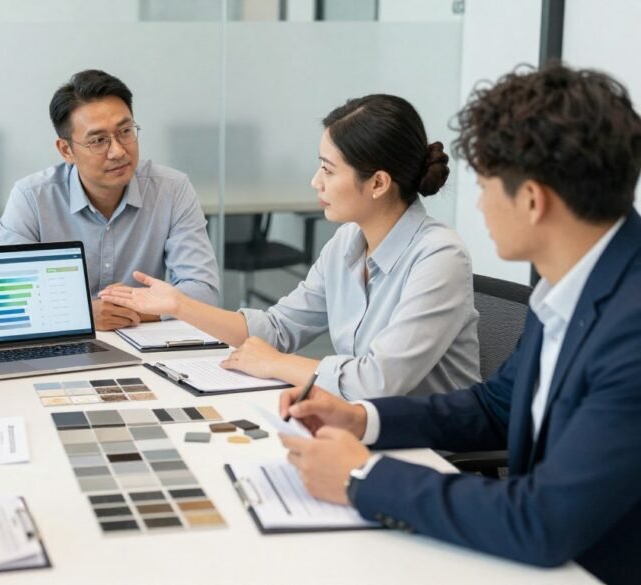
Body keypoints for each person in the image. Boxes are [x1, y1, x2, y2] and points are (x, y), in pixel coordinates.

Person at [278, 64, 641, 584]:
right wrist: (362, 420)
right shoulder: (567, 281)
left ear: (533, 200)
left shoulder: (631, 328)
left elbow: (542, 520)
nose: (478, 203)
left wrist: (363, 476)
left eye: (487, 184)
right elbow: (496, 405)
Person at [102, 94, 480, 399]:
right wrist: (179, 305)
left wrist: (276, 364)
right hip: (358, 425)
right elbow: (280, 328)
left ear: (378, 183)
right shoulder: (348, 242)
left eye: (328, 170)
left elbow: (380, 380)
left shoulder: (438, 257)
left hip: (431, 449)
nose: (316, 182)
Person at [0, 69, 220, 331]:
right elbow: (6, 298)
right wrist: (83, 314)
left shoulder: (172, 190)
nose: (118, 151)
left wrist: (126, 311)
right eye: (99, 140)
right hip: (62, 345)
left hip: (143, 344)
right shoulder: (31, 197)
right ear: (66, 150)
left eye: (125, 131)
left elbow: (203, 291)